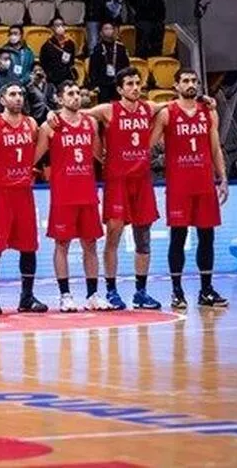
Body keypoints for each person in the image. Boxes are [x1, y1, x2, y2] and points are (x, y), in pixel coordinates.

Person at [75, 67, 161, 309]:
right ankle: (111, 290)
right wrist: (98, 150)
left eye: (137, 83)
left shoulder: (148, 107)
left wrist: (204, 100)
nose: (135, 88)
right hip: (118, 181)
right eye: (130, 84)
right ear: (120, 89)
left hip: (142, 181)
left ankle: (141, 292)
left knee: (143, 239)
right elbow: (79, 114)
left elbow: (173, 104)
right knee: (113, 236)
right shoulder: (108, 110)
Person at [149, 68, 229, 308]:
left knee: (207, 237)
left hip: (204, 184)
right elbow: (148, 144)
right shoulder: (167, 113)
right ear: (176, 86)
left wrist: (223, 178)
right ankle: (177, 291)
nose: (191, 84)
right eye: (185, 81)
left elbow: (215, 148)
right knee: (178, 237)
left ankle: (206, 290)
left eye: (194, 80)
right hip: (179, 186)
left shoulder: (209, 112)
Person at [0, 82, 48, 314]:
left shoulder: (31, 123)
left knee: (29, 247)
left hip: (23, 192)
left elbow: (39, 147)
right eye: (12, 94)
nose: (18, 98)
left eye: (20, 94)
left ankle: (27, 297)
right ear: (2, 99)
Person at [37, 80, 110, 312]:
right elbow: (33, 156)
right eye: (70, 93)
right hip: (63, 194)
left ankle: (93, 295)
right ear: (59, 99)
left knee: (90, 244)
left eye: (78, 93)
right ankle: (65, 295)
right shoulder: (50, 126)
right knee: (62, 244)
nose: (76, 97)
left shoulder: (90, 123)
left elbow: (99, 155)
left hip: (88, 192)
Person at [88, 21, 129, 101]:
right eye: (106, 29)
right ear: (101, 33)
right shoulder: (97, 49)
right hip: (103, 84)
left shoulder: (120, 48)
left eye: (111, 28)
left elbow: (126, 66)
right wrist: (94, 84)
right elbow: (93, 68)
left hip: (117, 82)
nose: (109, 31)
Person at [40, 17, 78, 85]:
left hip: (67, 77)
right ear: (52, 28)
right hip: (53, 79)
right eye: (57, 25)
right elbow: (44, 64)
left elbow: (71, 61)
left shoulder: (70, 44)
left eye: (62, 25)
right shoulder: (47, 46)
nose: (60, 27)